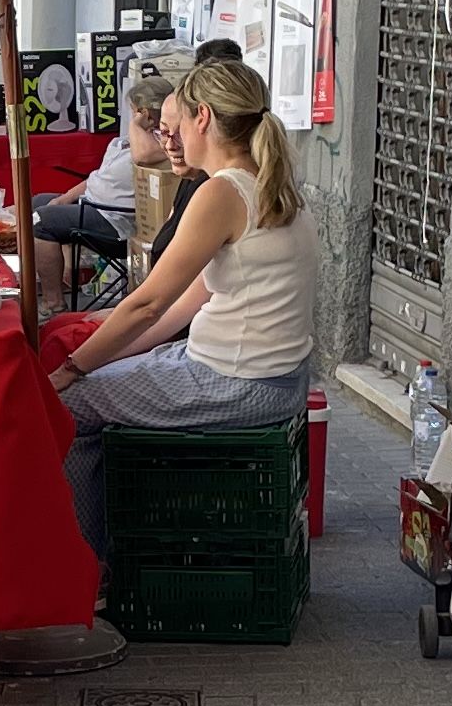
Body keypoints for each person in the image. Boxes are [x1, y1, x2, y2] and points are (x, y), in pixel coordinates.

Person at [48, 54, 315, 554]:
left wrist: (71, 370)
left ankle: (92, 569)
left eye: (177, 122)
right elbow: (186, 304)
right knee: (97, 382)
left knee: (69, 407)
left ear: (204, 119)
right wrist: (102, 352)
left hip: (237, 384)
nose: (169, 135)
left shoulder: (221, 193)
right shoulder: (268, 183)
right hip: (263, 376)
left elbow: (149, 304)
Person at [32, 67, 170, 288]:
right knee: (38, 202)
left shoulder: (160, 144)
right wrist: (64, 198)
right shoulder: (127, 140)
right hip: (92, 204)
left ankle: (53, 301)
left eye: (134, 111)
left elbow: (143, 156)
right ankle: (58, 273)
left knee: (40, 221)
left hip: (115, 221)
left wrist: (137, 124)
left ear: (145, 114)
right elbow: (97, 178)